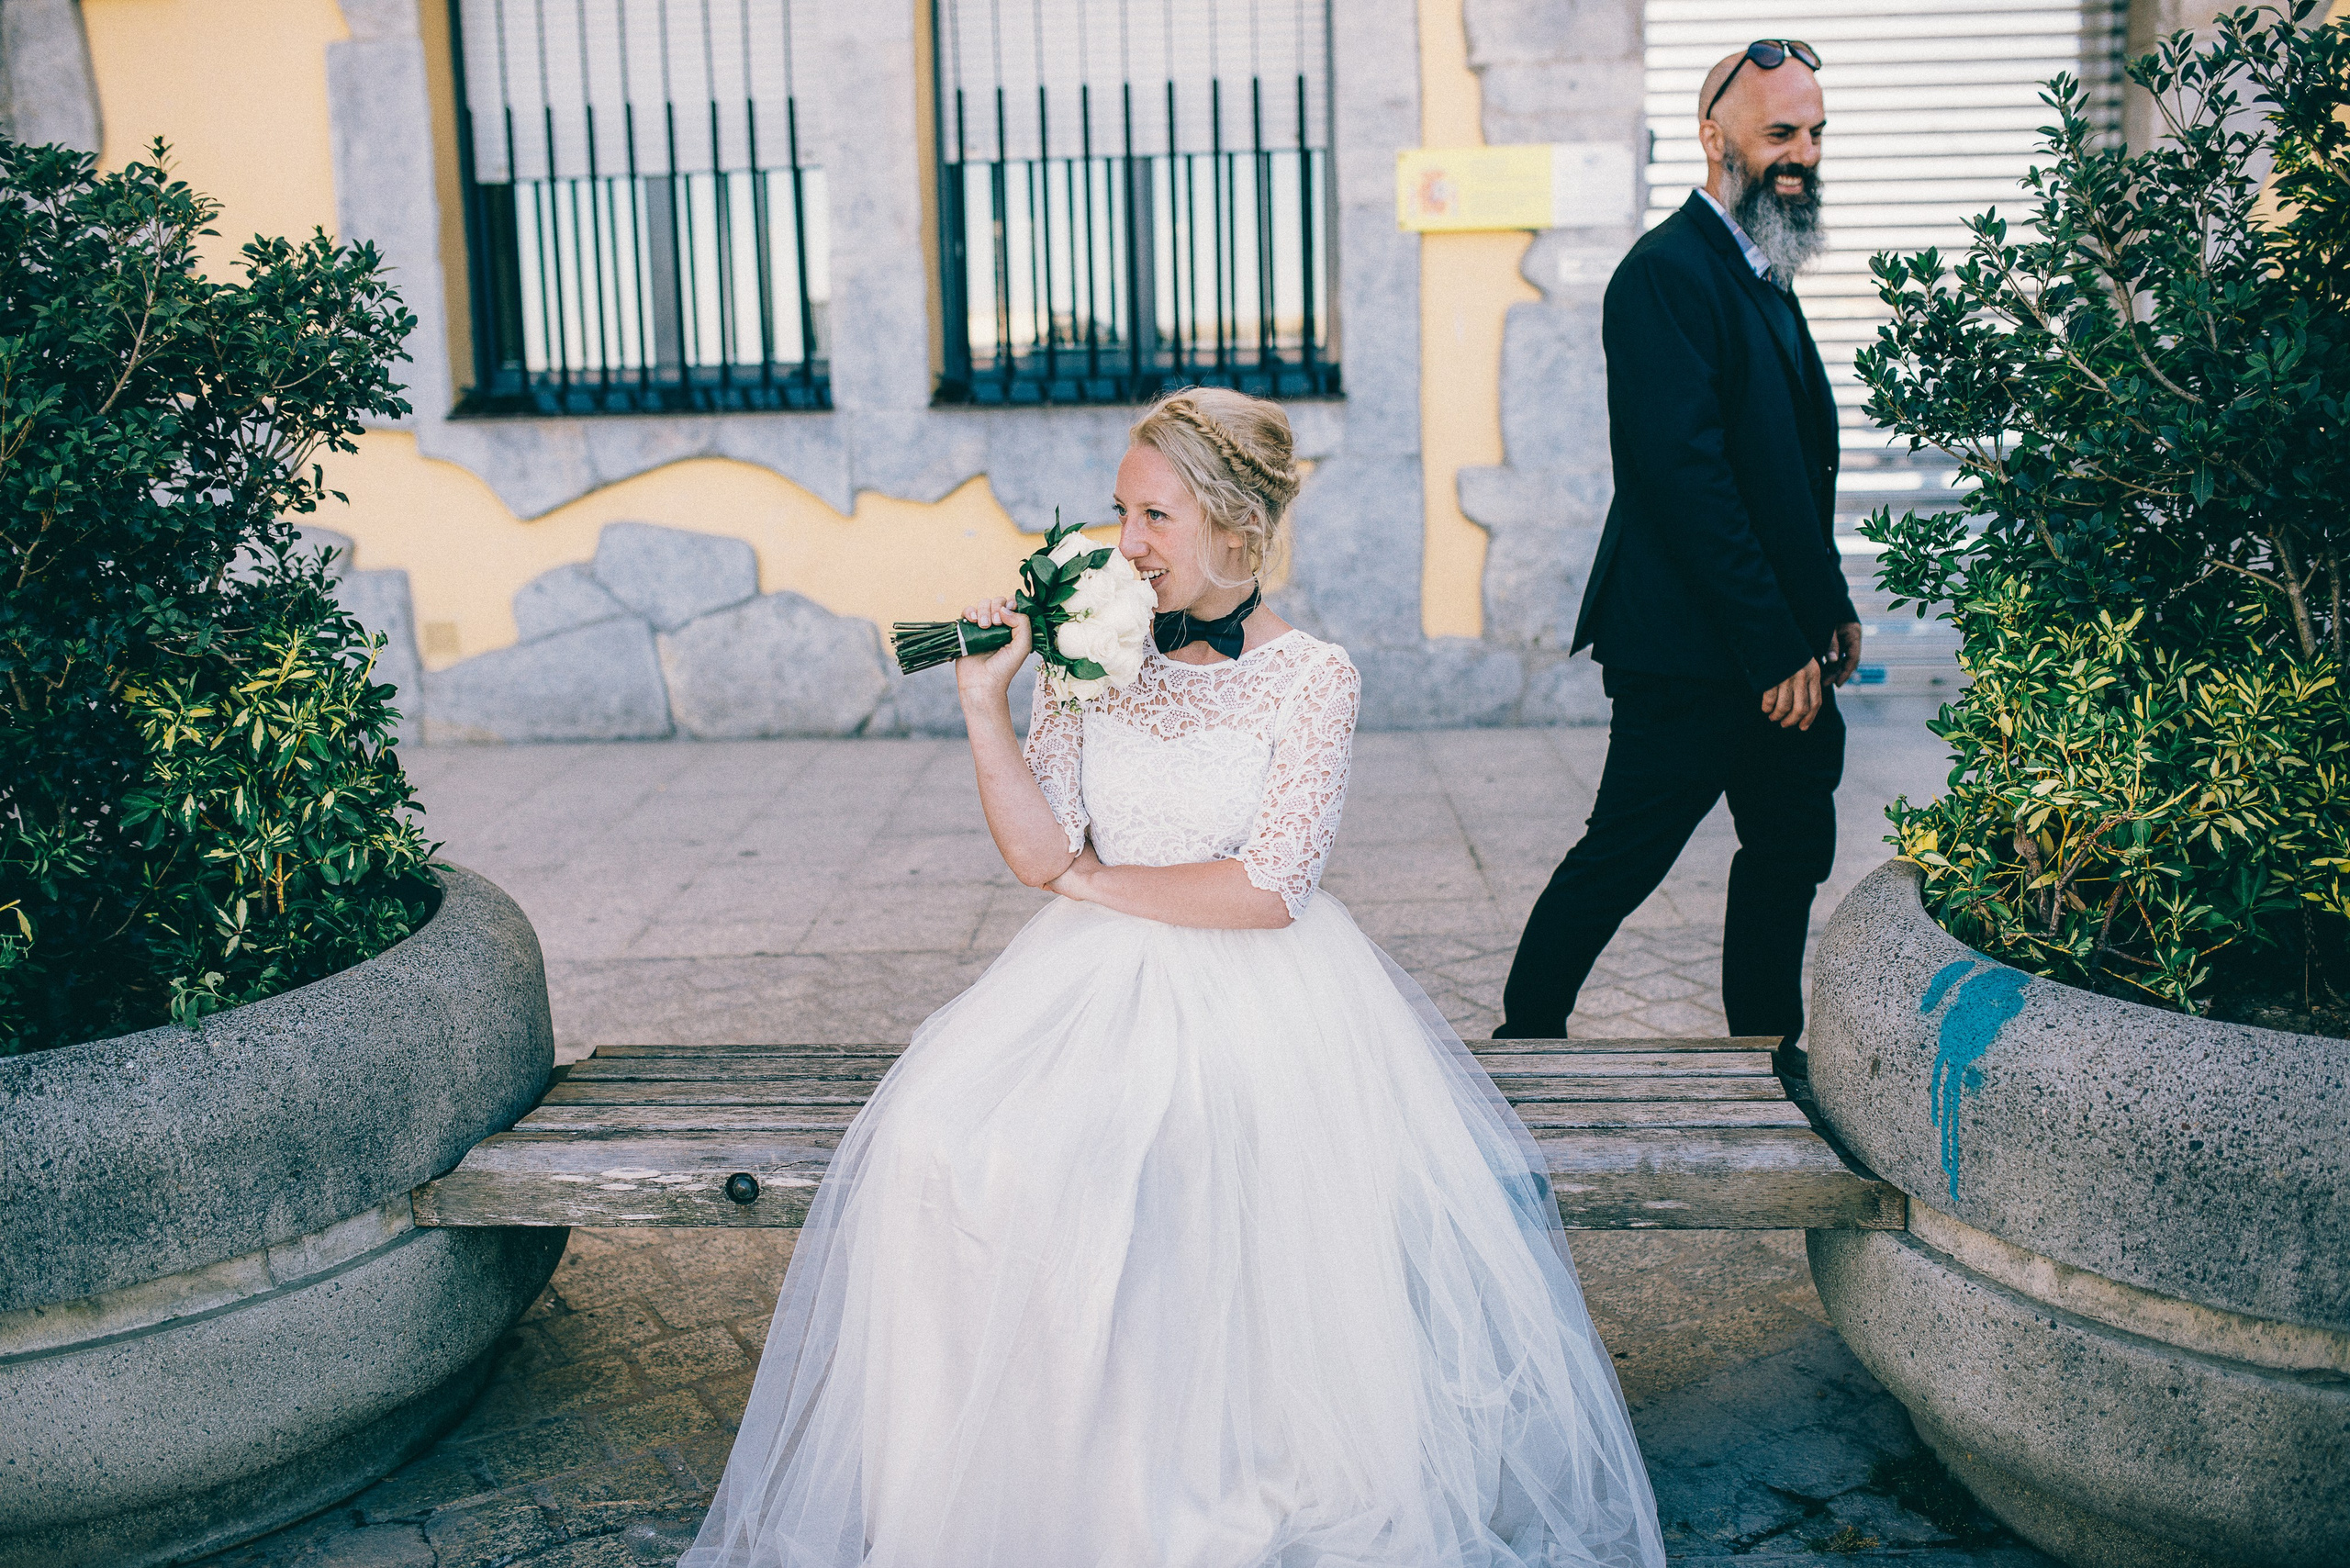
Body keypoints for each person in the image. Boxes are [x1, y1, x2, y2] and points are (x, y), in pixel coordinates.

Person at [682, 388, 1665, 1568]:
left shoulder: (1315, 677)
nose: (1126, 542)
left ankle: (1171, 1483)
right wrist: (983, 698)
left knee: (1146, 1165)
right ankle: (1014, 1482)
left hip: (1258, 992)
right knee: (941, 1143)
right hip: (1086, 979)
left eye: (1155, 516)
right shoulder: (1090, 656)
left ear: (1237, 524)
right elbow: (1038, 853)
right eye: (1120, 512)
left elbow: (1270, 888)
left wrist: (1094, 881)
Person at [1497, 42, 1861, 1070]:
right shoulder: (1663, 274)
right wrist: (1772, 647)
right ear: (1714, 136)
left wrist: (1827, 603)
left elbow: (1786, 466)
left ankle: (1766, 1049)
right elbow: (1686, 480)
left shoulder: (1762, 265)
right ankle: (1526, 1038)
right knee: (1625, 853)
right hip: (1690, 649)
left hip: (1774, 635)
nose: (1803, 153)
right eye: (1780, 132)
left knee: (1789, 846)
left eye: (1815, 133)